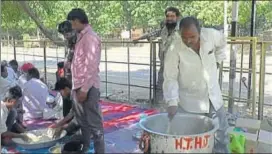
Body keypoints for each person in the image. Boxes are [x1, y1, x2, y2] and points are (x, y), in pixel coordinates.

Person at [163, 16, 229, 153]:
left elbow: (223, 42)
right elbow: (170, 77)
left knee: (221, 137)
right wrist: (172, 101)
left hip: (214, 98)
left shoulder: (211, 35)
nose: (188, 41)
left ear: (200, 31)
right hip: (190, 102)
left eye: (192, 36)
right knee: (193, 142)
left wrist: (218, 60)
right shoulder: (174, 47)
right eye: (184, 37)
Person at [54, 8, 105, 153]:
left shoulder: (90, 37)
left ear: (76, 21)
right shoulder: (80, 37)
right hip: (78, 85)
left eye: (72, 23)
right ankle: (84, 149)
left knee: (95, 125)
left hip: (87, 87)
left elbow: (92, 65)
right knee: (83, 123)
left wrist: (84, 89)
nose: (71, 26)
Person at [133, 7, 181, 103]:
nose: (169, 18)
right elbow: (150, 34)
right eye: (168, 16)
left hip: (179, 66)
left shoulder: (182, 31)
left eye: (172, 16)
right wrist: (137, 39)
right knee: (160, 86)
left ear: (177, 17)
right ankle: (157, 107)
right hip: (164, 65)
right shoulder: (163, 30)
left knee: (178, 89)